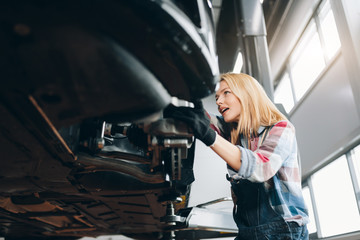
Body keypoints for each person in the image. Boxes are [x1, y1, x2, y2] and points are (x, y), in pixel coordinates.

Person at [167, 73, 309, 240]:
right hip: (248, 232)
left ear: (247, 93)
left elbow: (261, 168)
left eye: (226, 93)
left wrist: (209, 136)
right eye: (217, 97)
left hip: (284, 232)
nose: (219, 102)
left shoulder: (282, 129)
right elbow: (202, 122)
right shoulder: (234, 132)